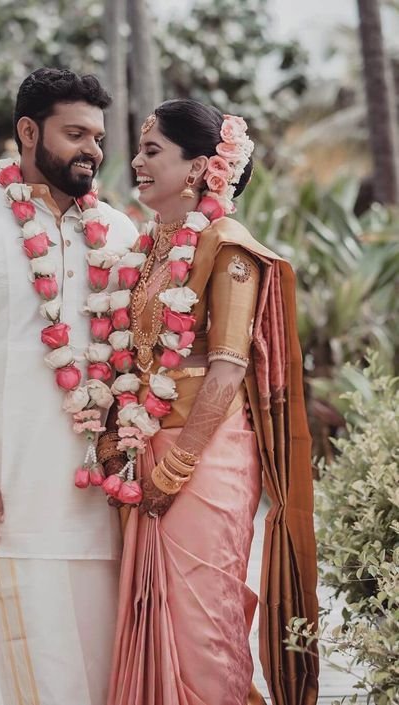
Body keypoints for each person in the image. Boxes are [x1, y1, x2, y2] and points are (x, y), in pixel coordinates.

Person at [0, 68, 139, 705]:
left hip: (98, 511)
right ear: (29, 131)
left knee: (97, 687)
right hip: (2, 504)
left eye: (98, 137)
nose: (92, 150)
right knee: (17, 687)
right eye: (75, 134)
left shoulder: (120, 233)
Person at [100, 100, 319, 705]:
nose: (137, 162)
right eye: (139, 150)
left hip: (207, 454)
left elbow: (226, 369)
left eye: (152, 151)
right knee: (154, 613)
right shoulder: (149, 247)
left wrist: (176, 466)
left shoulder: (228, 247)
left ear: (198, 167)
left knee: (202, 622)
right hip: (148, 447)